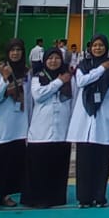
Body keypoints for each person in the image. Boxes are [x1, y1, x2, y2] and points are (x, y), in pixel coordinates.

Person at [68, 34, 109, 208]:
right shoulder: (83, 65)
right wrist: (101, 69)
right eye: (95, 45)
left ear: (106, 47)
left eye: (101, 45)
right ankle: (84, 198)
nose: (98, 48)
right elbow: (82, 81)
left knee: (102, 160)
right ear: (90, 47)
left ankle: (99, 196)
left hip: (105, 117)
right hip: (85, 117)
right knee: (84, 161)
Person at [0, 39, 29, 211]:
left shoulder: (26, 71)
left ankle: (6, 195)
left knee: (12, 160)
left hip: (18, 122)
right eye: (12, 50)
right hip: (1, 121)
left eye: (18, 50)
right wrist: (5, 78)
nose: (15, 53)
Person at [24, 48, 73, 209]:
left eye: (57, 58)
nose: (53, 61)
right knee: (39, 166)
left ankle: (56, 197)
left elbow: (72, 101)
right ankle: (38, 198)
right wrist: (58, 82)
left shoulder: (69, 78)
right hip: (41, 130)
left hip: (61, 129)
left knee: (58, 165)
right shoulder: (38, 77)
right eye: (50, 58)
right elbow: (39, 95)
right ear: (45, 61)